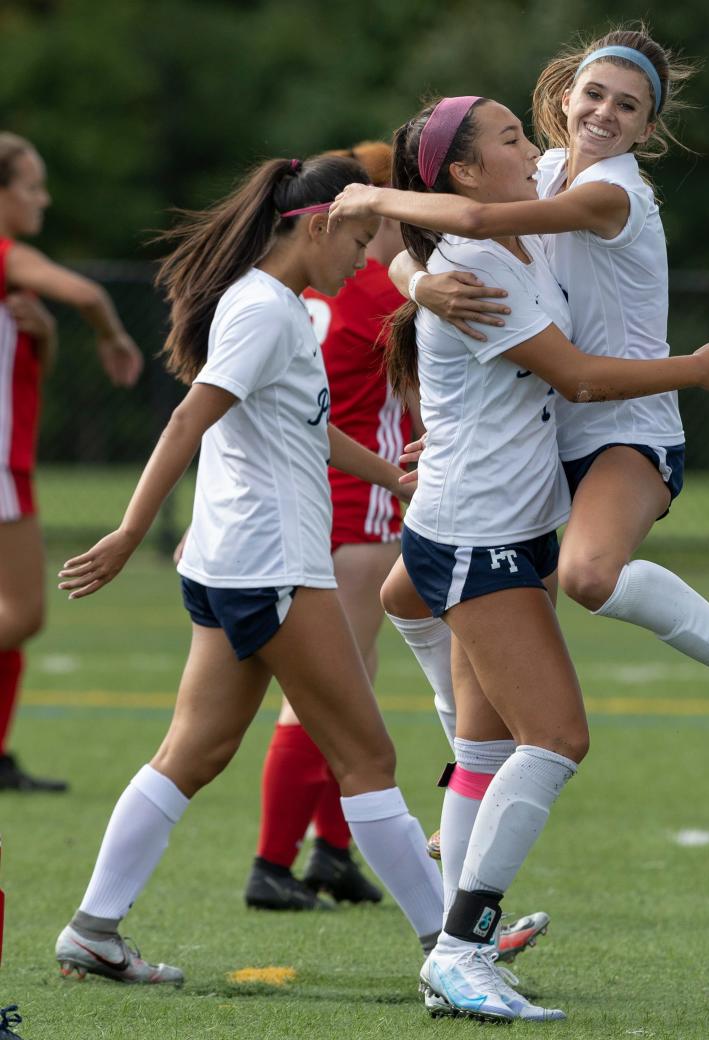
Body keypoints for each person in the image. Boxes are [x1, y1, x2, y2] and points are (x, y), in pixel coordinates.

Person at [330, 94, 709, 1022]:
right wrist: (695, 368)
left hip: (473, 527)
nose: (537, 145)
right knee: (555, 738)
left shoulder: (515, 233)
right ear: (471, 172)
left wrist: (407, 270)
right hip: (479, 534)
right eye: (513, 137)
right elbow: (579, 376)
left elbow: (432, 230)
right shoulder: (484, 256)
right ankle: (463, 948)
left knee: (481, 746)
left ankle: (455, 943)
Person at [332, 24, 709, 769]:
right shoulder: (541, 167)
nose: (605, 113)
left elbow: (475, 220)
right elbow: (417, 257)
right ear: (566, 96)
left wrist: (371, 191)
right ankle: (470, 775)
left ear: (648, 129)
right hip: (550, 425)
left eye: (629, 105)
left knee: (589, 576)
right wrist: (422, 285)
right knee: (406, 594)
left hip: (626, 425)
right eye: (594, 93)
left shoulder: (611, 193)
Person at [53, 153, 445, 986]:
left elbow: (301, 425)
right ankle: (452, 948)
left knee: (192, 751)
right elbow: (190, 418)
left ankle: (92, 930)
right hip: (269, 564)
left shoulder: (277, 309)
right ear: (318, 225)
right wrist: (128, 532)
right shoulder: (266, 311)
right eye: (362, 237)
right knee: (368, 758)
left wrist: (391, 475)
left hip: (235, 561)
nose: (365, 256)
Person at [244, 141, 414, 912]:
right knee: (323, 696)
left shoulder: (294, 285)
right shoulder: (375, 289)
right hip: (354, 502)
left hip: (304, 494)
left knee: (355, 681)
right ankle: (272, 864)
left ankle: (331, 851)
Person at [0, 131, 143, 793]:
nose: (44, 198)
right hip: (3, 467)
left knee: (13, 624)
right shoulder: (7, 256)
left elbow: (29, 373)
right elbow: (86, 292)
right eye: (31, 186)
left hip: (12, 458)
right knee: (23, 614)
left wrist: (47, 335)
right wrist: (113, 337)